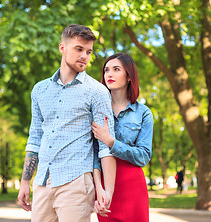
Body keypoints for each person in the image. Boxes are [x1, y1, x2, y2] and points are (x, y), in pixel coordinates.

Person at [17, 24, 116, 222]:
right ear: (62, 48)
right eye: (78, 49)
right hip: (43, 182)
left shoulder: (97, 92)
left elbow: (105, 146)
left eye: (88, 52)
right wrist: (25, 181)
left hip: (76, 182)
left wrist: (106, 190)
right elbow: (35, 137)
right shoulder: (39, 90)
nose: (84, 56)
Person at [92, 53, 153, 222]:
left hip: (133, 185)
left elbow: (144, 156)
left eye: (116, 69)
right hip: (104, 184)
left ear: (129, 76)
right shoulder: (96, 110)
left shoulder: (143, 113)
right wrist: (98, 188)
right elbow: (92, 154)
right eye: (106, 70)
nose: (109, 74)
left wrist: (111, 142)